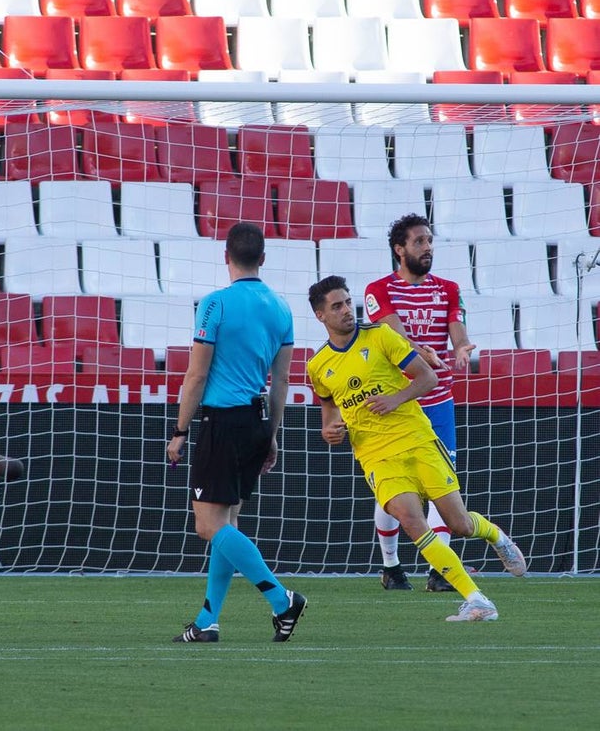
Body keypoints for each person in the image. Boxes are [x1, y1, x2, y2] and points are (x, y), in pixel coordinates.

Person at [306, 276, 526, 622]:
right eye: (337, 306)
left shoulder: (380, 336)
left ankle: (495, 535)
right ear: (320, 315)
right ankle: (476, 599)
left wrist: (395, 399)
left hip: (417, 439)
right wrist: (330, 431)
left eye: (348, 302)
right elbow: (329, 412)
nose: (347, 310)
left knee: (459, 524)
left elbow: (428, 378)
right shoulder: (318, 366)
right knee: (412, 520)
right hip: (376, 455)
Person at [167, 222, 307, 644]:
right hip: (256, 421)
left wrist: (179, 430)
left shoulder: (215, 304)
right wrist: (272, 434)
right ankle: (207, 621)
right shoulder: (281, 308)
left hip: (222, 423)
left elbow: (197, 374)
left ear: (225, 256)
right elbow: (282, 381)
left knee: (208, 526)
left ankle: (281, 599)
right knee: (227, 523)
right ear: (262, 258)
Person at [364, 214, 476, 593]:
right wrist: (421, 352)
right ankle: (391, 566)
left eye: (429, 240)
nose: (427, 247)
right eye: (419, 241)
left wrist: (461, 348)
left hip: (438, 403)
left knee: (443, 488)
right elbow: (395, 338)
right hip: (398, 406)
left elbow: (457, 330)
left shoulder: (448, 289)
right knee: (394, 490)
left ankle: (440, 570)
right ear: (400, 249)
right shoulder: (378, 290)